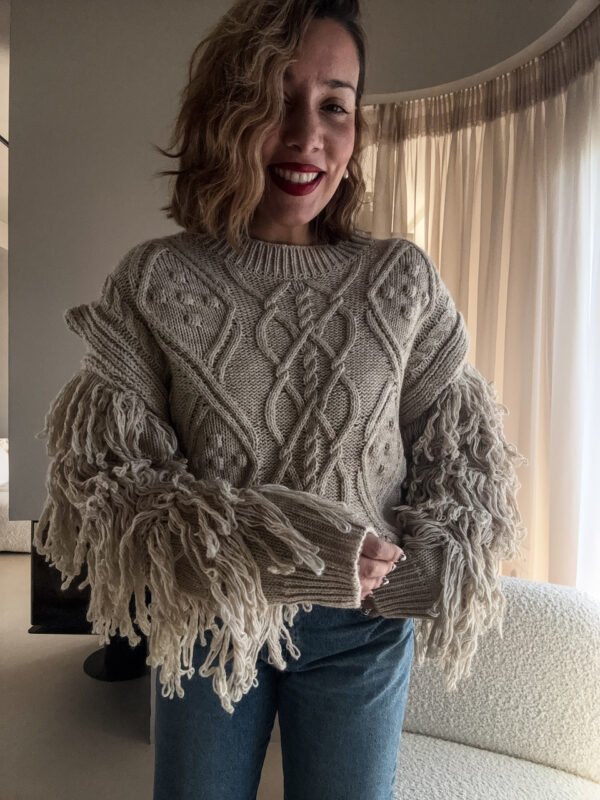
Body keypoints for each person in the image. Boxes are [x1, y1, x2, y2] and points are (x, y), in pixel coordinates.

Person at [32, 1, 527, 798]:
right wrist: (288, 551)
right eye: (273, 98)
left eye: (334, 104)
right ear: (224, 111)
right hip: (208, 620)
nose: (306, 138)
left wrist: (408, 576)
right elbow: (107, 486)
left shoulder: (399, 281)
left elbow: (464, 457)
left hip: (361, 634)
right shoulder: (157, 280)